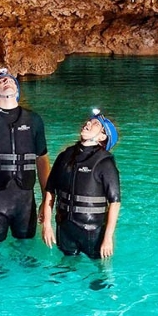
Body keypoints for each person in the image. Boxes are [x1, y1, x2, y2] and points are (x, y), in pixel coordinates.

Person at [0, 68, 50, 243]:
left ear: (17, 91)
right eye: (1, 81)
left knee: (26, 250)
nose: (7, 81)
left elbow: (42, 160)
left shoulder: (34, 120)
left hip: (25, 199)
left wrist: (46, 199)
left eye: (11, 80)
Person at [41, 109, 121, 259]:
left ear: (103, 136)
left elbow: (115, 202)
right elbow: (50, 191)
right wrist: (47, 224)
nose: (88, 123)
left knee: (98, 276)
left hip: (93, 231)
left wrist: (108, 238)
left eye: (95, 123)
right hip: (65, 228)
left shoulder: (105, 162)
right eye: (88, 121)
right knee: (65, 270)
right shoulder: (65, 156)